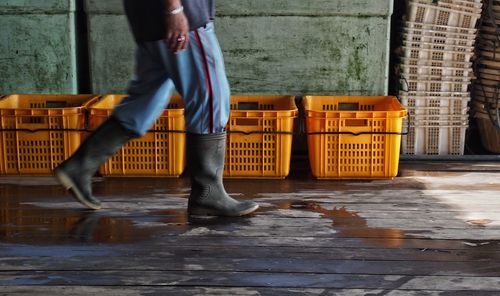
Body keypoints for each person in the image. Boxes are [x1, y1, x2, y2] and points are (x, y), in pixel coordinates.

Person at [54, 0, 259, 217]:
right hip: (179, 14)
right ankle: (209, 193)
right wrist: (174, 10)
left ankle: (81, 165)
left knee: (145, 102)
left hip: (150, 18)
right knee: (209, 97)